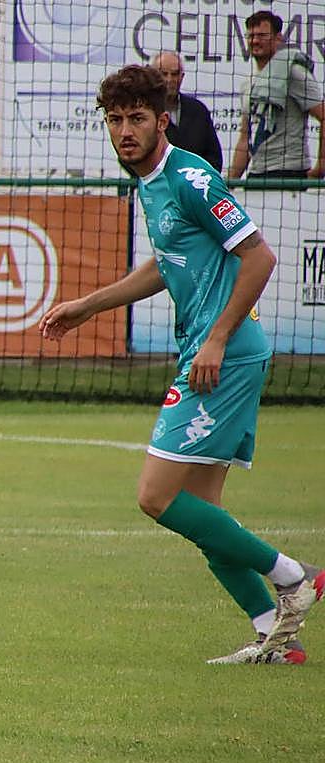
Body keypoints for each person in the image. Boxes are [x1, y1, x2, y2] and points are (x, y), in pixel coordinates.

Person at [40, 65, 324, 666]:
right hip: (212, 354)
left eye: (137, 119)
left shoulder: (190, 175)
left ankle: (296, 576)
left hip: (226, 357)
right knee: (205, 515)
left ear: (161, 119)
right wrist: (87, 306)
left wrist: (217, 339)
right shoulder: (147, 182)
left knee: (155, 496)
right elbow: (163, 263)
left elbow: (260, 256)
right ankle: (276, 633)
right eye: (115, 120)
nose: (125, 131)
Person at [227, 11, 325, 181]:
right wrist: (229, 182)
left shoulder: (294, 73)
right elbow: (245, 139)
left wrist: (320, 168)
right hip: (256, 174)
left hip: (290, 173)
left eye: (262, 35)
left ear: (278, 38)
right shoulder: (248, 84)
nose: (255, 41)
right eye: (251, 36)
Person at [151, 51, 223, 172]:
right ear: (153, 76)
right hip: (156, 186)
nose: (170, 79)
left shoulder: (198, 110)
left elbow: (214, 157)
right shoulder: (144, 112)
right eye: (164, 74)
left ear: (182, 76)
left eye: (175, 74)